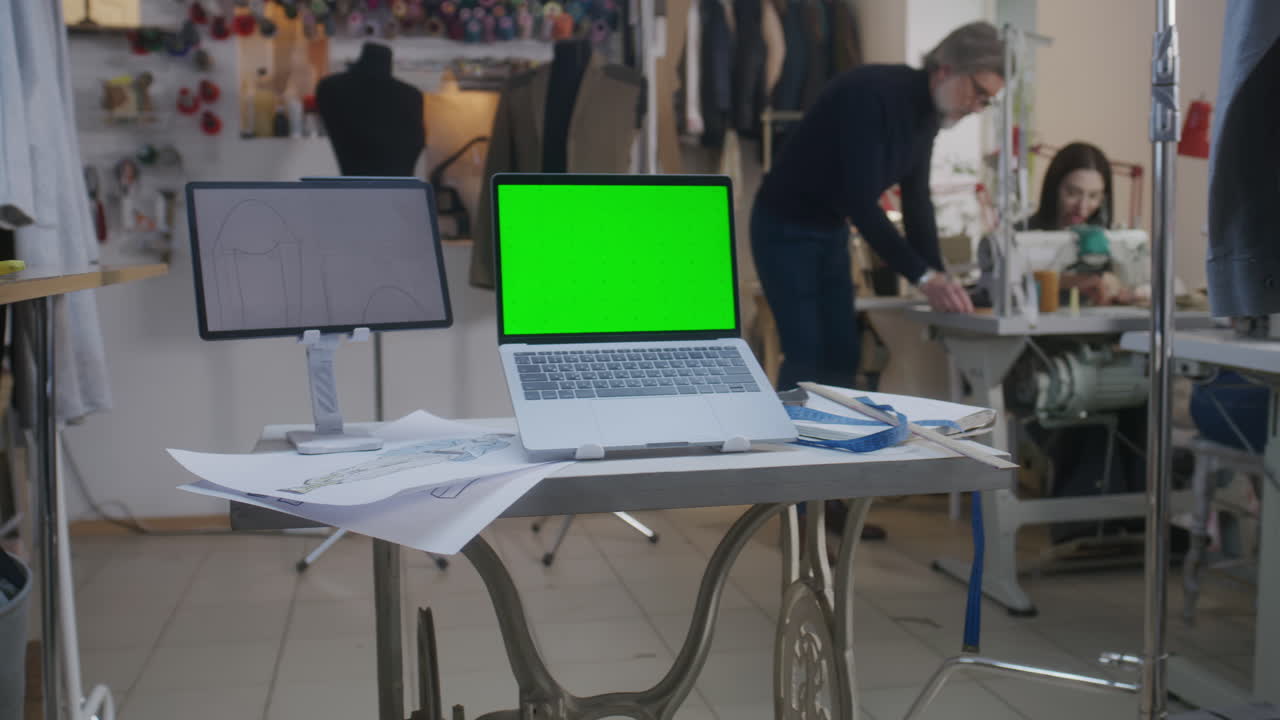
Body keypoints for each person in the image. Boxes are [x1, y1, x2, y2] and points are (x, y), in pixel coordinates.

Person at [753, 22, 1004, 543]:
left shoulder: (927, 115)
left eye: (988, 100)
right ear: (944, 69)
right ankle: (793, 508)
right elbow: (858, 200)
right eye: (977, 92)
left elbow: (916, 204)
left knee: (842, 362)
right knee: (804, 359)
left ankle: (831, 498)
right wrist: (923, 274)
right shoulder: (873, 95)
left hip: (825, 233)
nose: (978, 106)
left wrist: (939, 276)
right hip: (784, 227)